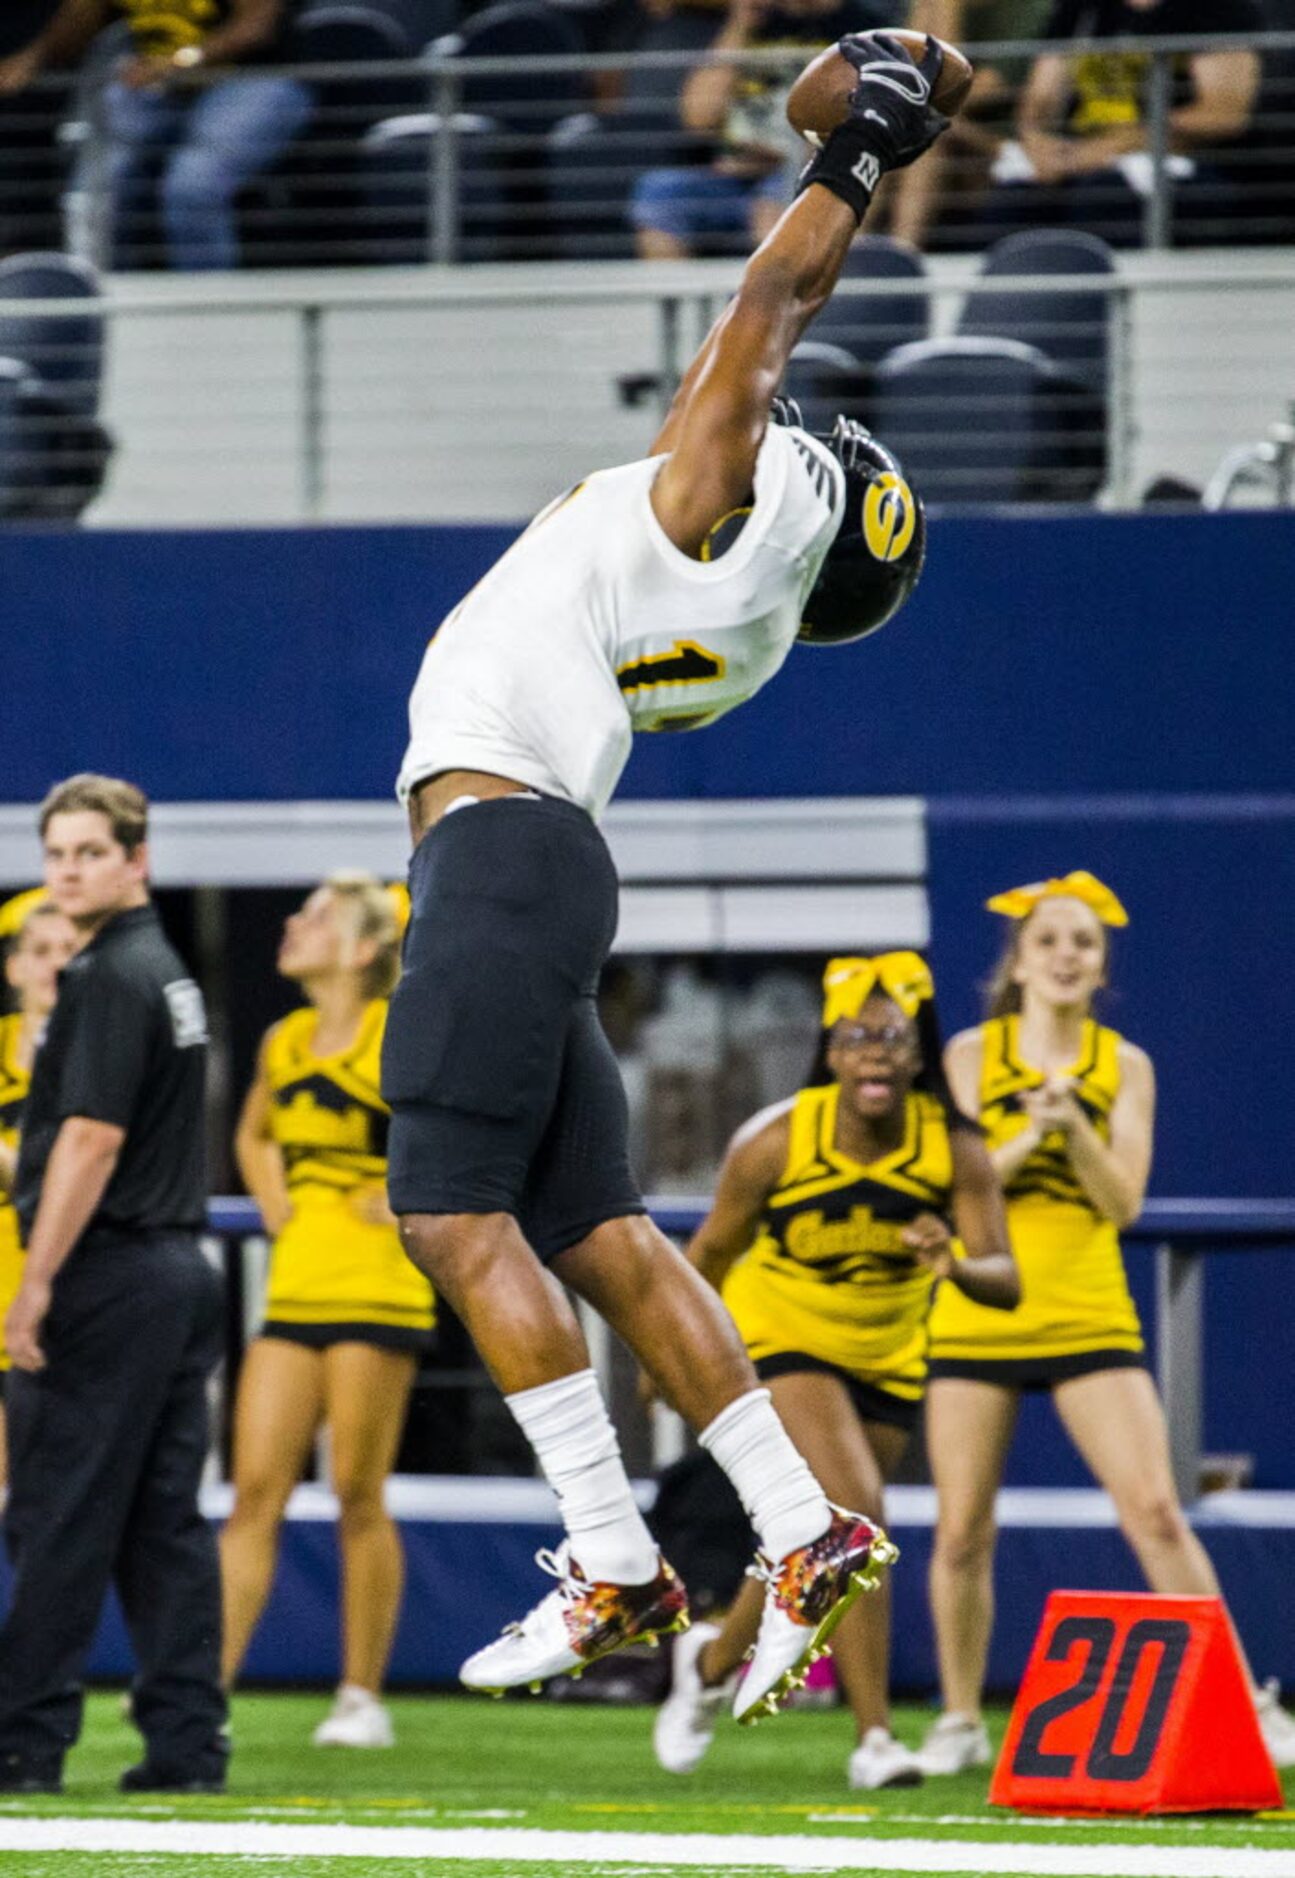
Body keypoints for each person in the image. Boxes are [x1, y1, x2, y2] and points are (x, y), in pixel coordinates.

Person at [383, 35, 946, 1723]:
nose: (789, 431)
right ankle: (802, 1521)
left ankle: (615, 1556)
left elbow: (766, 315)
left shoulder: (724, 511)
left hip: (502, 854)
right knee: (606, 1233)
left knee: (444, 1209)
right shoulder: (760, 611)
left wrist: (861, 154)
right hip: (548, 858)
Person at [917, 870, 1295, 1775]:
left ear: (1100, 965)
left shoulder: (1125, 1065)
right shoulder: (970, 1054)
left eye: (1082, 943)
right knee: (962, 1529)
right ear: (1018, 958)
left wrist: (1073, 1129)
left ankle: (1245, 1703)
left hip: (1088, 1307)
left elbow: (1122, 1201)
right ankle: (961, 1719)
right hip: (977, 1311)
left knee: (1157, 1511)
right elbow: (953, 1190)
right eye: (1047, 940)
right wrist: (1030, 1136)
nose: (1064, 955)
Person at [653, 952, 1019, 1789]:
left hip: (886, 1361)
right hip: (779, 1341)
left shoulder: (953, 1150)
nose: (874, 1055)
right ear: (830, 1050)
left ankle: (709, 1664)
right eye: (854, 1038)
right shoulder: (777, 1138)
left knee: (810, 1541)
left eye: (890, 1038)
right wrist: (664, 1354)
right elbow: (706, 1253)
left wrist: (955, 1264)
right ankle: (876, 1739)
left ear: (918, 1051)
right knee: (858, 1515)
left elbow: (1006, 1278)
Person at [0, 774, 226, 1795]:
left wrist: (34, 1282)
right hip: (178, 1269)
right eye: (55, 856)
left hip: (111, 1271)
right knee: (158, 1521)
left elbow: (90, 1139)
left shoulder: (103, 975)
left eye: (88, 853)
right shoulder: (166, 972)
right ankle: (186, 1741)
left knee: (58, 1508)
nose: (67, 872)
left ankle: (23, 1740)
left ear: (136, 859)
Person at [220, 873, 433, 1750]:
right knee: (253, 1495)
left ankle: (360, 1696)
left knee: (356, 1493)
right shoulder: (285, 1038)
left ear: (359, 948)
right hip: (297, 1283)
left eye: (314, 916)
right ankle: (203, 1688)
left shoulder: (401, 1034)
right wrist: (275, 1203)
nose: (291, 924)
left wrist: (406, 1189)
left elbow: (473, 1130)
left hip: (380, 1285)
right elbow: (252, 1134)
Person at [0, 0, 311, 270]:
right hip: (160, 85)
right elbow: (78, 22)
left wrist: (180, 61)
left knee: (192, 184)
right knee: (98, 188)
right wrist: (34, 56)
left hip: (253, 81)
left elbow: (256, 26)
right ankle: (109, 303)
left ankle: (208, 311)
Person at [981, 0, 1262, 245]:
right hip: (1077, 156)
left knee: (1103, 194)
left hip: (1173, 161)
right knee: (1015, 198)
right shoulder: (1083, 9)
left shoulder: (1217, 8)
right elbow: (1039, 103)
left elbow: (1224, 114)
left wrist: (1117, 144)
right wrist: (1039, 144)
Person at [631, 0, 890, 259]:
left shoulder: (863, 28)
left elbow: (869, 124)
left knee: (772, 202)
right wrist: (740, 25)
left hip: (810, 172)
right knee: (660, 193)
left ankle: (773, 297)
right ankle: (675, 296)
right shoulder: (749, 23)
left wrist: (787, 157)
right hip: (732, 175)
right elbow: (698, 119)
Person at [0, 892, 78, 1493]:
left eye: (70, 950)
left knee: (52, 1502)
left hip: (66, 1303)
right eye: (40, 950)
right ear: (14, 966)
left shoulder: (106, 1052)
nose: (54, 964)